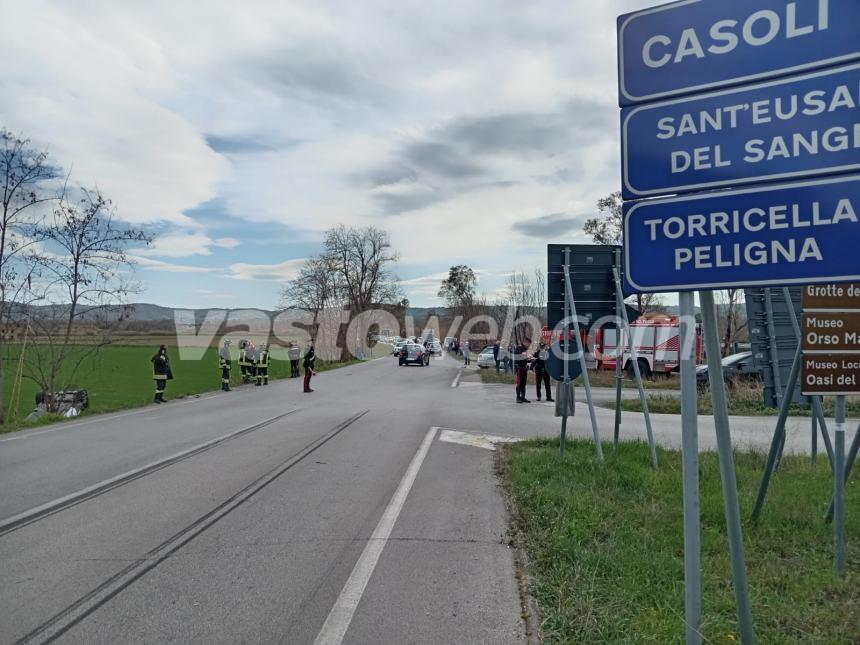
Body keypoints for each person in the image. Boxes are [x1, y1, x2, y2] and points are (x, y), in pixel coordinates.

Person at [514, 337, 533, 403]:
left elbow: (525, 358)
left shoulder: (525, 349)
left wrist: (530, 359)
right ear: (525, 342)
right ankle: (518, 398)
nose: (529, 345)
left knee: (523, 383)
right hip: (519, 368)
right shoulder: (519, 348)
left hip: (524, 368)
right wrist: (526, 358)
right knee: (519, 383)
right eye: (528, 344)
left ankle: (523, 397)